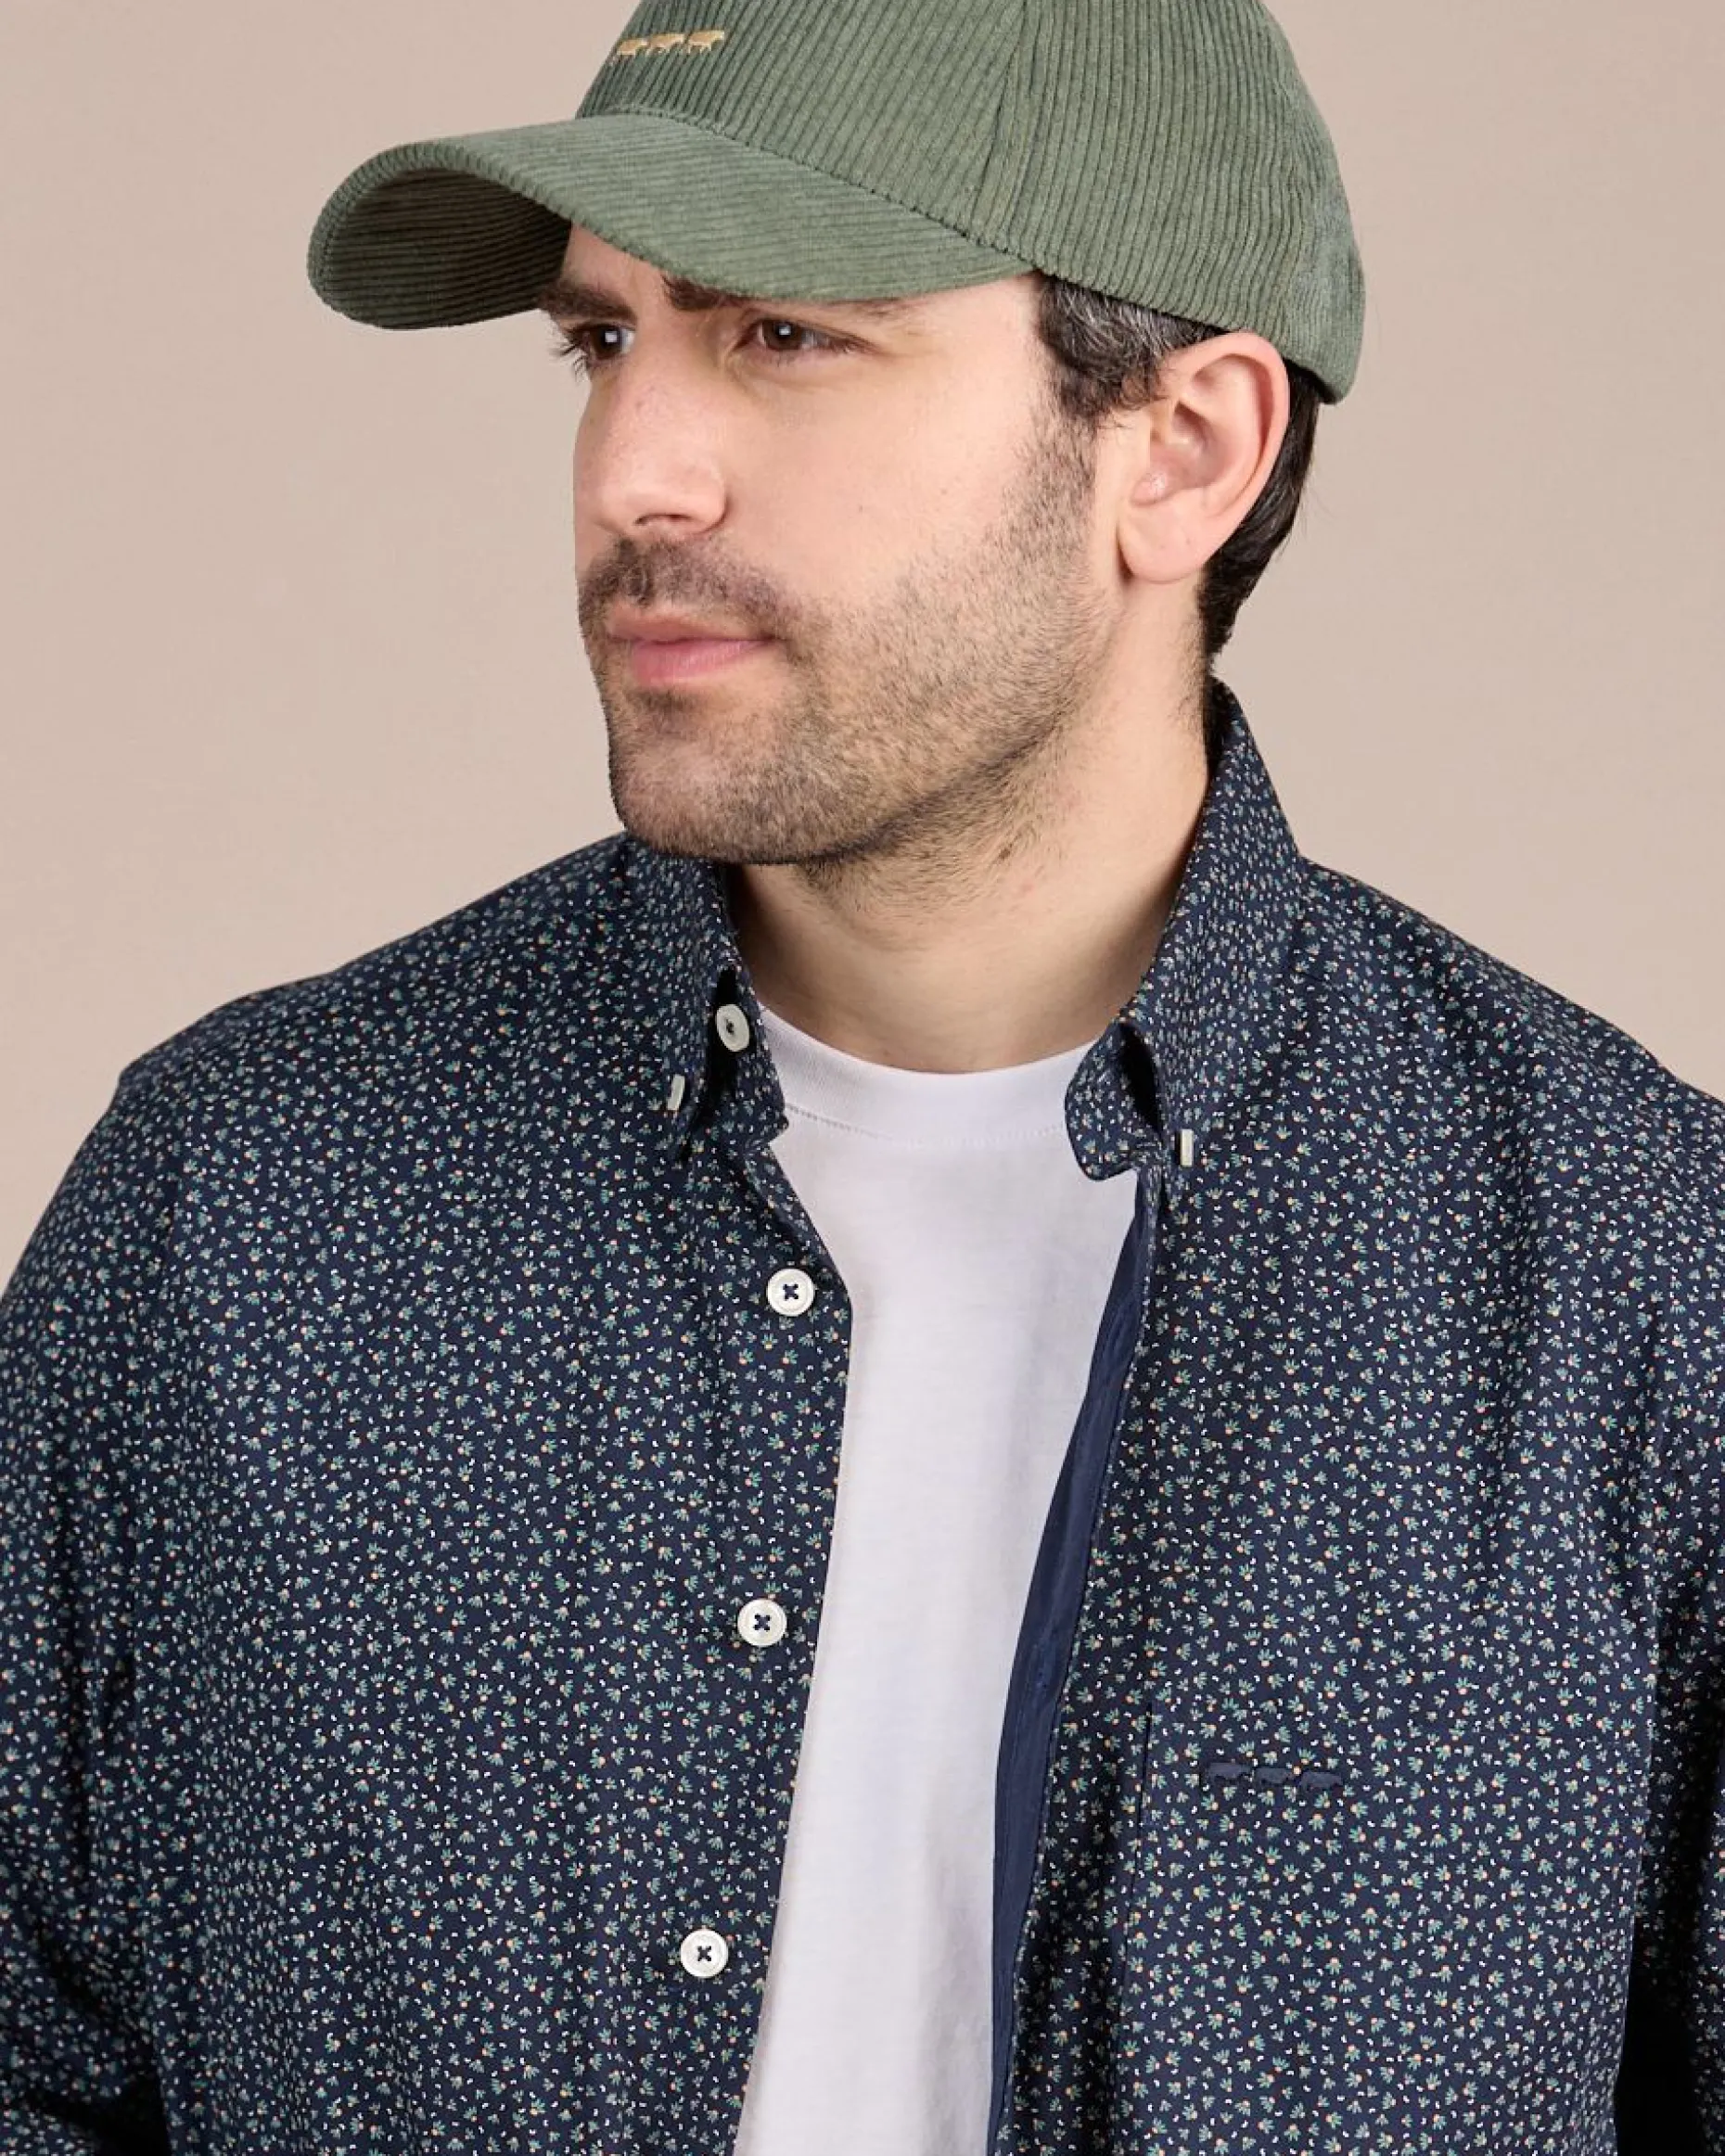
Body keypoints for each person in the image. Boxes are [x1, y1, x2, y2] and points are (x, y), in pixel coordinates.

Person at [1, 0, 1719, 2147]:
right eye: (602, 341)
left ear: (1183, 449)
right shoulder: (243, 1212)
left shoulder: (1637, 1287)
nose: (635, 471)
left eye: (785, 334)